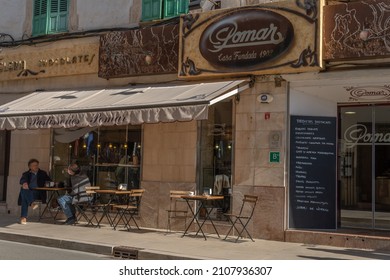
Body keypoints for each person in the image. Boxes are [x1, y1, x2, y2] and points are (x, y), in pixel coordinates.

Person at [18, 158, 51, 225]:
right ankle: (32, 204)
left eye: (37, 165)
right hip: (29, 191)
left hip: (38, 192)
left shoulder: (43, 173)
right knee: (24, 190)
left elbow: (49, 181)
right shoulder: (26, 174)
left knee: (24, 194)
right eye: (34, 165)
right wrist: (24, 183)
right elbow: (22, 180)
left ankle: (23, 217)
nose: (36, 166)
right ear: (30, 167)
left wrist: (47, 184)